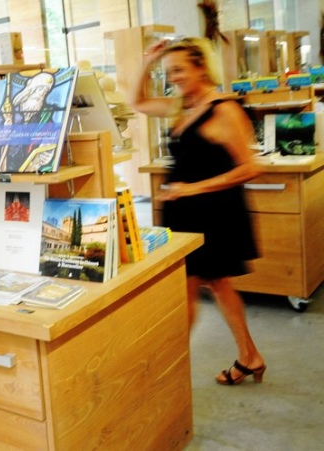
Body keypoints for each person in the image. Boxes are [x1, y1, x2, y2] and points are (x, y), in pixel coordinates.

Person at [129, 37, 266, 385]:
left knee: (188, 288)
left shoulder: (224, 109)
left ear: (200, 67)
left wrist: (191, 188)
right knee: (217, 285)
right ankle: (250, 356)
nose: (172, 77)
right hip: (185, 214)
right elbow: (137, 101)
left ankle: (165, 375)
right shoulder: (180, 107)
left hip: (214, 212)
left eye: (178, 70)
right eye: (167, 72)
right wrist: (148, 61)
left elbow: (251, 168)